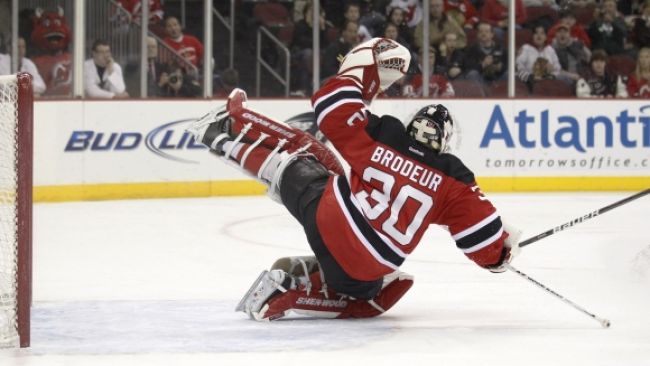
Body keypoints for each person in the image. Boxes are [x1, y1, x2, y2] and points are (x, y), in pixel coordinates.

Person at [188, 38, 521, 321]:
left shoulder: (386, 133)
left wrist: (360, 73)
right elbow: (483, 245)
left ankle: (226, 134)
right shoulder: (453, 177)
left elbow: (331, 108)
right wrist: (502, 247)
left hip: (325, 219)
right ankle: (303, 292)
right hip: (366, 266)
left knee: (305, 155)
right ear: (444, 140)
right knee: (367, 287)